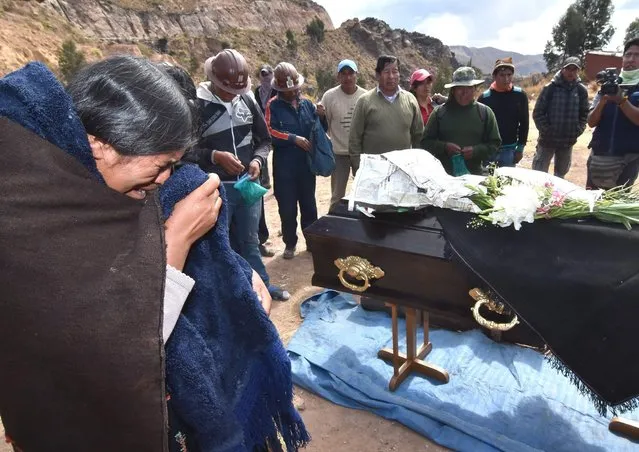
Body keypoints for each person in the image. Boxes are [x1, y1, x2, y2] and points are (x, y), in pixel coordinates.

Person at [0, 55, 309, 452]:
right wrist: (175, 241)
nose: (166, 178)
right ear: (99, 145)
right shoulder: (33, 226)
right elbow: (110, 357)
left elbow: (206, 270)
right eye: (163, 164)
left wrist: (237, 275)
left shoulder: (109, 187)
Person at [188, 49, 289, 301]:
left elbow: (264, 140)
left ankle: (262, 288)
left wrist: (257, 160)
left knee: (250, 242)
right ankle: (232, 297)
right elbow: (184, 152)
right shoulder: (196, 106)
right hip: (215, 189)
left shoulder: (247, 101)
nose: (233, 95)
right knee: (221, 246)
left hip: (248, 187)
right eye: (228, 90)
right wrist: (214, 156)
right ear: (214, 80)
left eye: (238, 90)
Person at [264, 62, 318, 260]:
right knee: (287, 207)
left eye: (294, 88)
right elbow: (269, 131)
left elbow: (317, 130)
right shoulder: (273, 105)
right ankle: (290, 243)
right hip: (284, 166)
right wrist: (292, 138)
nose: (292, 92)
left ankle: (312, 241)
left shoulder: (307, 104)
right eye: (287, 90)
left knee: (309, 205)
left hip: (306, 165)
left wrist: (322, 117)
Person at [348, 55, 424, 174]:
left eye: (395, 71)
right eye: (386, 71)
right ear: (378, 75)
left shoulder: (410, 100)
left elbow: (418, 136)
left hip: (403, 170)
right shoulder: (364, 101)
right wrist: (358, 168)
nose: (391, 76)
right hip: (373, 171)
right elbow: (354, 138)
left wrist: (417, 166)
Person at [421, 66, 501, 175]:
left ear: (475, 89)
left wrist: (476, 151)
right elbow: (425, 143)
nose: (464, 92)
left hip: (475, 177)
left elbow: (495, 143)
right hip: (443, 177)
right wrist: (444, 147)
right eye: (460, 88)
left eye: (469, 88)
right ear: (453, 90)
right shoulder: (439, 113)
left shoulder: (485, 113)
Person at [586, 37, 639, 189]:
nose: (631, 59)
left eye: (637, 55)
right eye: (628, 55)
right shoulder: (609, 85)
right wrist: (603, 100)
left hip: (627, 159)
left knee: (614, 209)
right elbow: (591, 121)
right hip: (598, 156)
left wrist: (621, 101)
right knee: (590, 204)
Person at [316, 59, 366, 210]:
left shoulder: (365, 96)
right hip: (338, 153)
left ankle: (364, 226)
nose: (347, 77)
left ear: (356, 74)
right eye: (343, 74)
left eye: (351, 73)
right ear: (338, 77)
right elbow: (323, 126)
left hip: (361, 153)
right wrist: (321, 115)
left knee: (364, 194)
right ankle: (334, 228)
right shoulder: (329, 96)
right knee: (337, 196)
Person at [532, 56, 589, 178]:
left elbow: (584, 114)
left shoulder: (581, 90)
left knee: (560, 176)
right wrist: (547, 130)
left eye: (575, 69)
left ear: (578, 71)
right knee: (538, 175)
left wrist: (577, 131)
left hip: (567, 141)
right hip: (547, 140)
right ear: (562, 69)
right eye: (568, 69)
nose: (571, 72)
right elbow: (538, 113)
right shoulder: (550, 88)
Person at [477, 57, 529, 167]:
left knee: (506, 182)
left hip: (509, 152)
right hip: (489, 151)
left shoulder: (520, 95)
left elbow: (524, 124)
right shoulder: (485, 98)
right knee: (489, 181)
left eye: (509, 75)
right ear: (494, 76)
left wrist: (520, 149)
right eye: (502, 75)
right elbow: (479, 127)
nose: (506, 79)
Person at [254, 64, 278, 257]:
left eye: (267, 74)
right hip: (260, 132)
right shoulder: (256, 92)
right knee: (262, 159)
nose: (265, 77)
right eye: (262, 75)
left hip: (274, 130)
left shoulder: (277, 90)